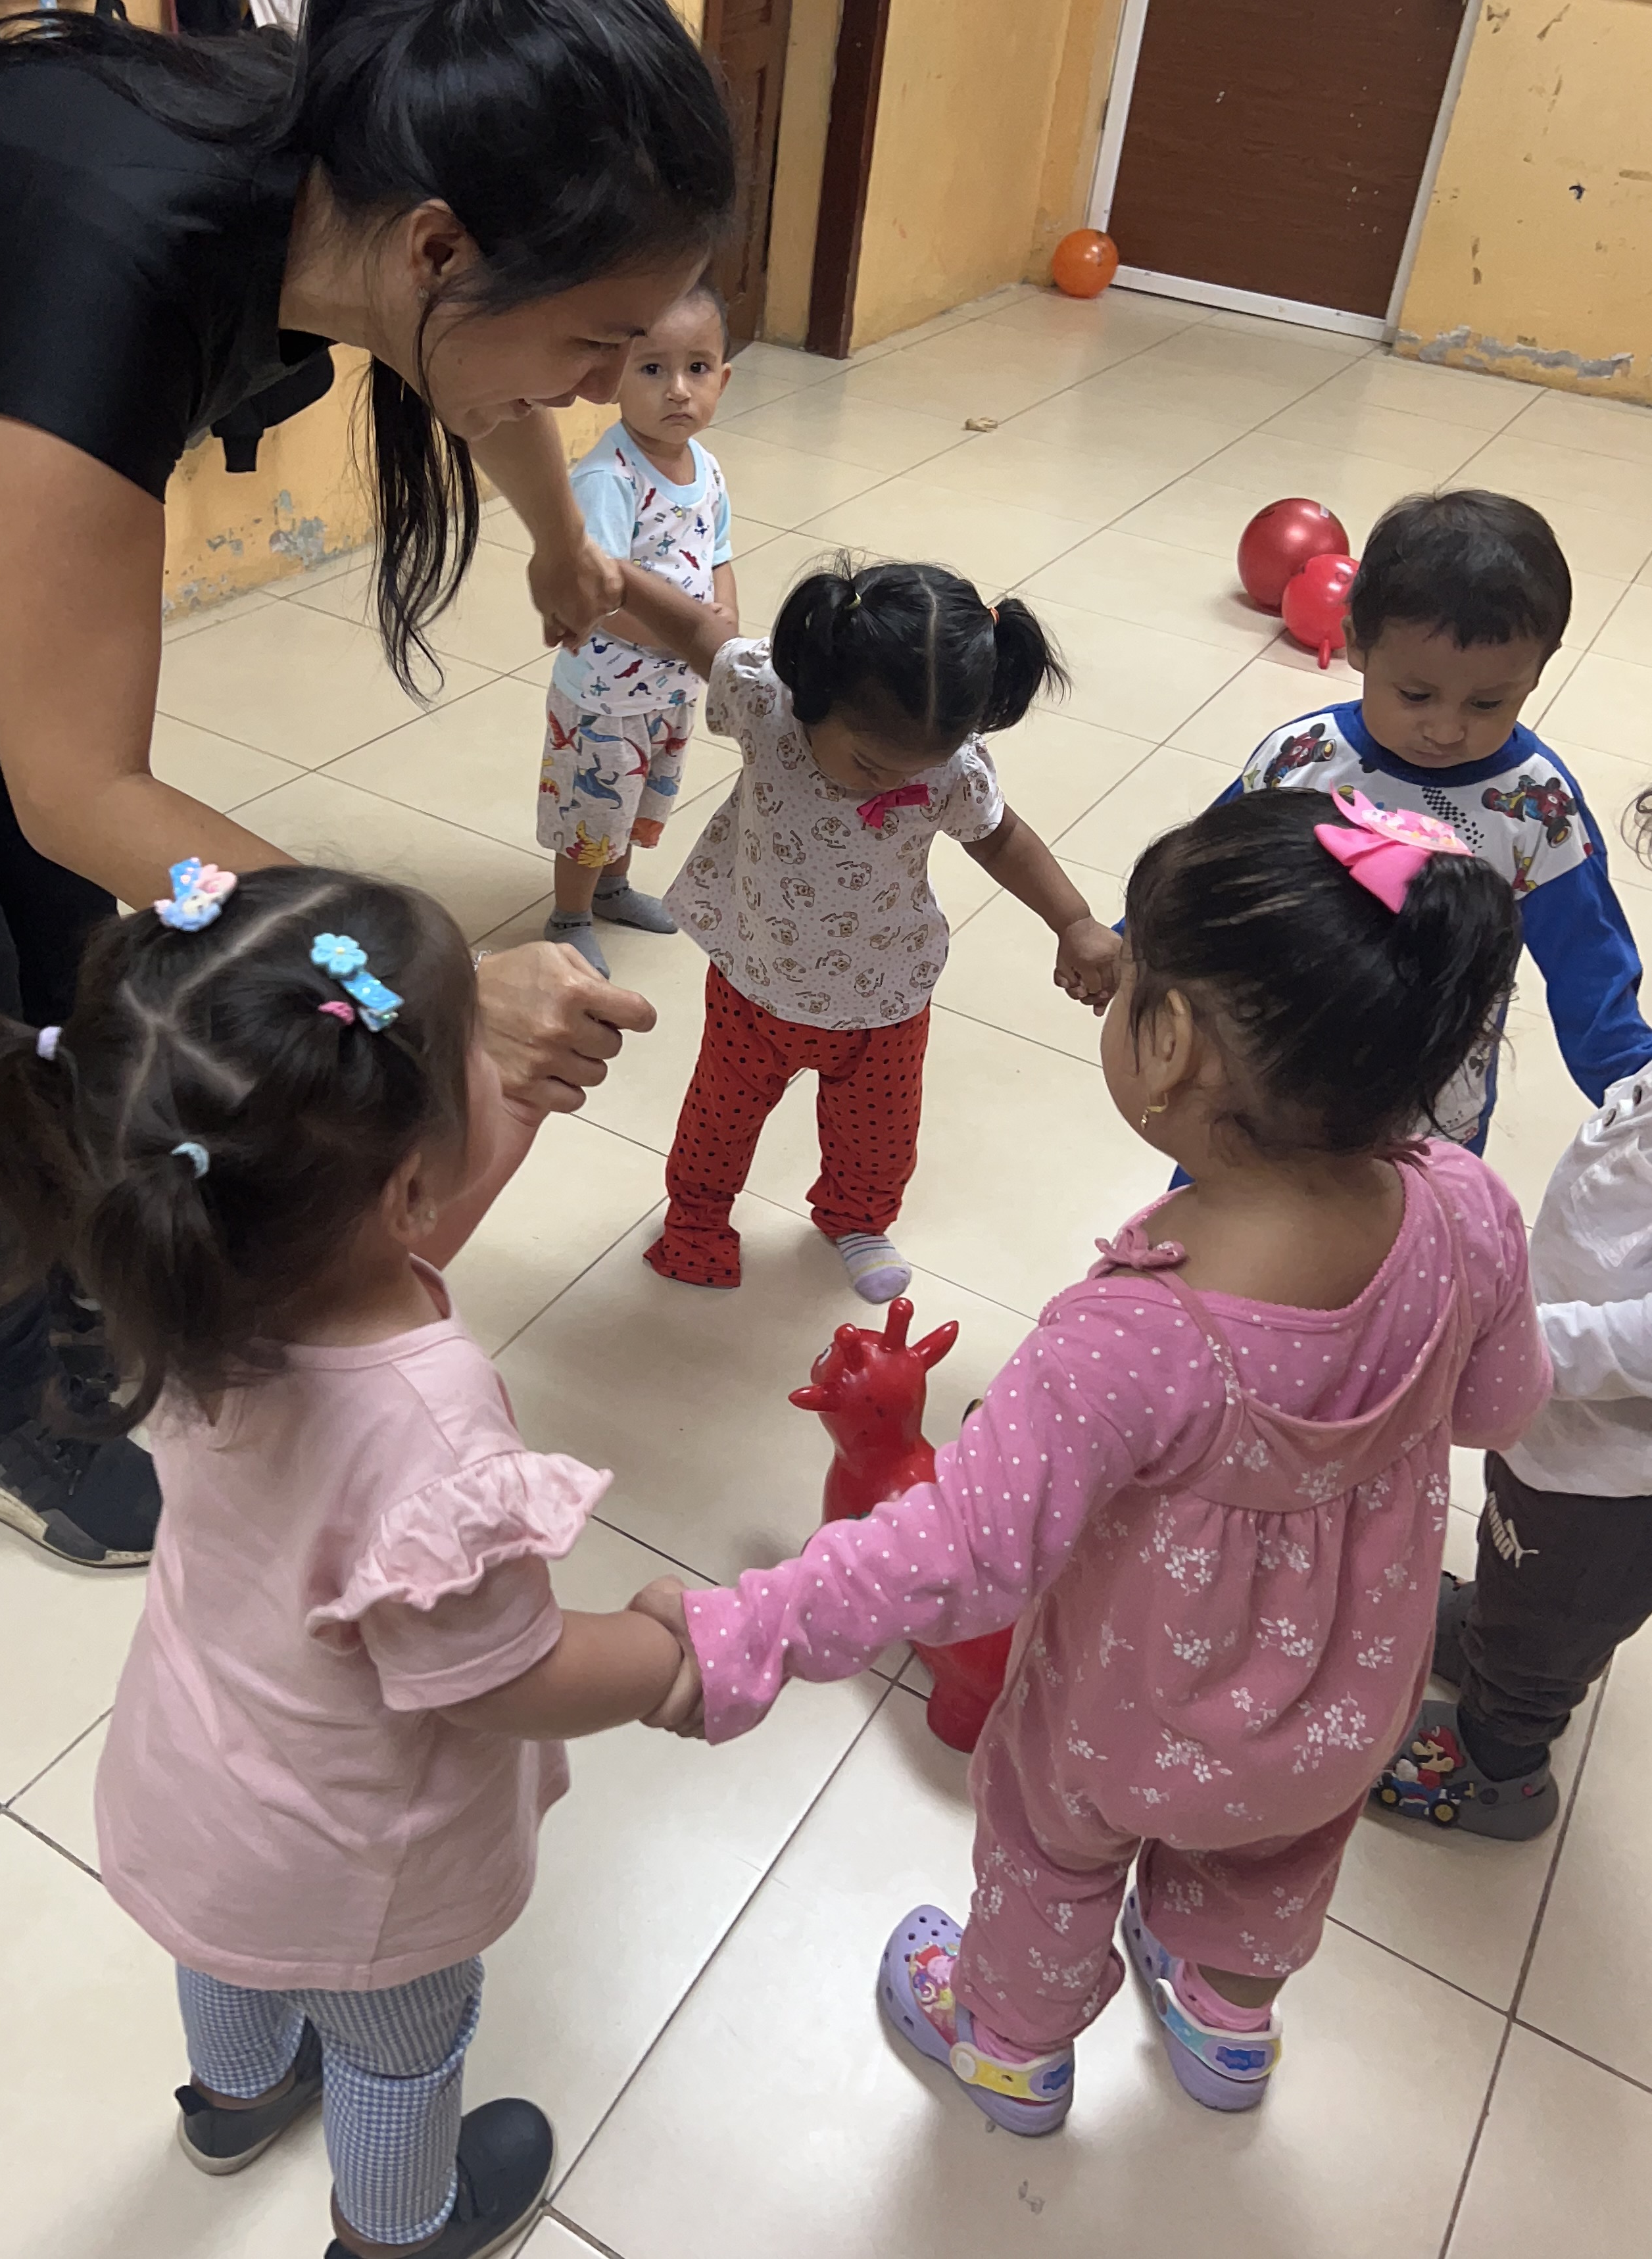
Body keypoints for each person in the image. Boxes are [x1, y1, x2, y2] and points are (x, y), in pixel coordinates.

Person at [0, 0, 732, 1570]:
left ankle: (76, 1297)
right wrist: (427, 979)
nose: (595, 385)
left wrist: (563, 545)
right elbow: (83, 788)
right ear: (438, 250)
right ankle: (8, 1408)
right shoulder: (123, 256)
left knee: (58, 963)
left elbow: (489, 367)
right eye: (599, 342)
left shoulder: (362, 165)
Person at [635, 789, 1549, 2131]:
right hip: (1345, 1702)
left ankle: (1008, 2051)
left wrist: (739, 1632)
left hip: (1127, 1710)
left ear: (1166, 1044)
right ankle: (1226, 2029)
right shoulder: (1466, 1206)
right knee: (1272, 1861)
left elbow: (953, 1551)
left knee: (1050, 1857)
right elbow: (1498, 1407)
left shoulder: (1135, 1332)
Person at [0, 862, 695, 2258]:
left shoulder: (178, 1274)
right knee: (403, 2049)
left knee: (227, 1964)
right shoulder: (431, 1427)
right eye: (473, 1056)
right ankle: (396, 2228)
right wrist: (664, 1655)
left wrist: (498, 1115)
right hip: (356, 1871)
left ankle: (232, 2101)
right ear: (405, 1184)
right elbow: (503, 1673)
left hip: (196, 1788)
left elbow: (381, 1254)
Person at [620, 558, 1122, 1301]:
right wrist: (613, 581)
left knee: (879, 1136)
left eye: (914, 768)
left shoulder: (951, 767)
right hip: (754, 978)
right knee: (718, 1120)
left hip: (884, 992)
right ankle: (696, 1220)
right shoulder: (769, 703)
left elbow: (999, 837)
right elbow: (699, 630)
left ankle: (857, 1222)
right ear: (818, 695)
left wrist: (1072, 920)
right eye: (869, 761)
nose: (892, 781)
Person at [1375, 795, 1652, 1839]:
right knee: (1512, 1518)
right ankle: (1496, 1618)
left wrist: (1518, 1341)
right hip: (1557, 1409)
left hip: (1615, 1479)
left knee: (1552, 1609)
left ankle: (1500, 1759)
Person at [1221, 489, 1650, 1148]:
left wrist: (1633, 1083)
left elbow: (1589, 966)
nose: (1446, 729)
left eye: (1486, 703)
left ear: (1537, 671)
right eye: (1416, 695)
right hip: (1266, 1086)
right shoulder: (1305, 758)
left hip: (1423, 1122)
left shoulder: (1537, 809)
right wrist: (1136, 943)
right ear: (1357, 642)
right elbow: (1209, 872)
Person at [537, 283, 734, 979]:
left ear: (722, 379)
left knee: (641, 795)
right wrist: (681, 634)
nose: (678, 390)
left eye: (697, 368)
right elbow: (594, 592)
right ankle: (569, 916)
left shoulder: (707, 469)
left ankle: (613, 889)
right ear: (612, 378)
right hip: (604, 698)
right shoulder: (608, 479)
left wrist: (724, 615)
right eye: (652, 369)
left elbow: (718, 552)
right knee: (593, 810)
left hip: (669, 688)